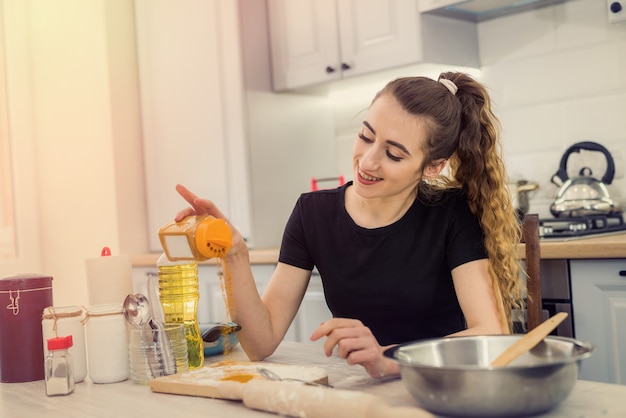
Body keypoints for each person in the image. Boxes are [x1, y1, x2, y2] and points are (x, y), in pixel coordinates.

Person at [174, 71, 524, 378]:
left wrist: (389, 359)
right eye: (366, 137)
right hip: (363, 391)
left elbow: (490, 333)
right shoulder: (313, 213)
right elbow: (260, 344)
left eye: (394, 154)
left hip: (440, 390)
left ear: (432, 167)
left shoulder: (452, 213)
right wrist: (234, 254)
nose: (368, 162)